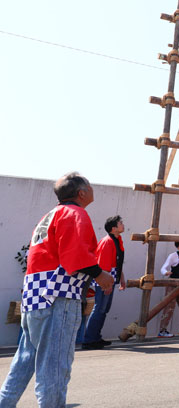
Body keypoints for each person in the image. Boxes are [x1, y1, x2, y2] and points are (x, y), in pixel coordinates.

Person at [0, 173, 114, 407]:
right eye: (90, 187)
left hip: (34, 296)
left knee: (25, 359)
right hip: (58, 297)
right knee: (55, 366)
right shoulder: (75, 214)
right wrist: (101, 276)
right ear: (81, 193)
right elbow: (77, 257)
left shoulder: (49, 215)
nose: (92, 190)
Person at [82, 215, 126, 349]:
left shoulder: (117, 240)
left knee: (103, 309)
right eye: (120, 223)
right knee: (99, 309)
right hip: (104, 281)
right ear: (113, 228)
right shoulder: (108, 241)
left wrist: (121, 279)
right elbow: (104, 266)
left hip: (110, 280)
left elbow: (117, 263)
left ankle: (95, 337)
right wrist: (107, 284)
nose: (123, 224)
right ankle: (89, 339)